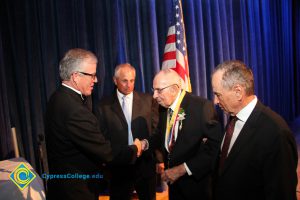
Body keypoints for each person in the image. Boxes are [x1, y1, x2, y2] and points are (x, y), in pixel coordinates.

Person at [45, 49, 142, 200]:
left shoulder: (57, 97)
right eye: (92, 75)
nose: (95, 80)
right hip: (76, 192)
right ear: (76, 76)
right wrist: (135, 148)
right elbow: (107, 153)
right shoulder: (75, 110)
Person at [211, 60, 298, 200]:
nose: (215, 101)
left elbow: (281, 193)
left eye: (218, 94)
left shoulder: (276, 133)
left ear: (238, 92)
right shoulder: (233, 120)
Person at [142, 69, 222, 200]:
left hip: (196, 186)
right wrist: (146, 144)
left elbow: (214, 148)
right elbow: (161, 134)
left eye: (159, 90)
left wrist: (182, 169)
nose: (154, 96)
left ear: (174, 89)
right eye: (153, 90)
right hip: (173, 184)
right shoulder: (163, 107)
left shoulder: (201, 107)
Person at [94, 63, 159, 200]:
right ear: (114, 80)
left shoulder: (148, 100)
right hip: (119, 167)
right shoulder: (103, 106)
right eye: (124, 80)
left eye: (132, 80)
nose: (129, 85)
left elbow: (156, 130)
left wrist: (159, 159)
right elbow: (102, 136)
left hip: (145, 164)